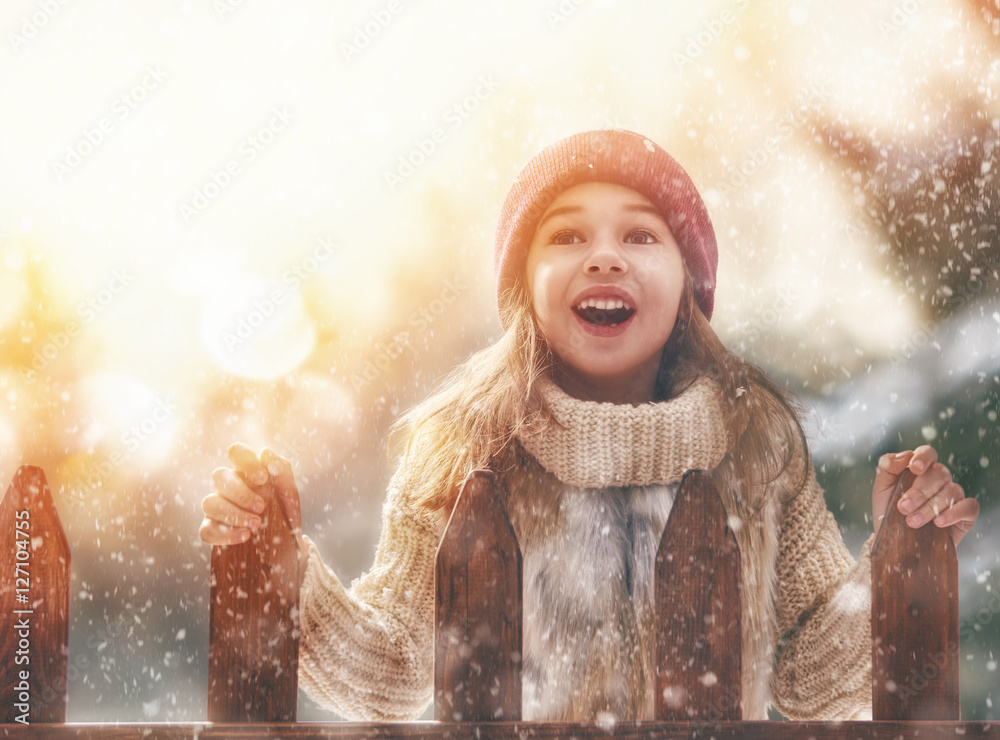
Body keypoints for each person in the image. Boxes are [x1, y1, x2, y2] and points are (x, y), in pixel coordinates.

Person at [199, 129, 980, 722]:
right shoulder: (463, 447)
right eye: (566, 235)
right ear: (525, 287)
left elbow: (810, 681)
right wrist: (279, 568)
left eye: (641, 235)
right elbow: (394, 669)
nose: (604, 257)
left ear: (687, 283)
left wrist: (897, 561)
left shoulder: (757, 444)